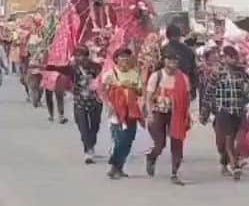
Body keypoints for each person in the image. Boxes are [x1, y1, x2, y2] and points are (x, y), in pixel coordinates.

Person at [200, 46, 249, 180]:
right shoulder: (218, 73)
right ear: (224, 58)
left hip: (239, 111)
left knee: (238, 139)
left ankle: (226, 162)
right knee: (228, 139)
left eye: (235, 57)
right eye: (230, 57)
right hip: (223, 111)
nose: (234, 60)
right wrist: (204, 111)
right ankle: (234, 166)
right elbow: (209, 92)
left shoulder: (242, 72)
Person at [45, 46, 103, 163]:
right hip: (79, 101)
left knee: (95, 127)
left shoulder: (97, 67)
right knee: (83, 127)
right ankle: (88, 150)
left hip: (95, 101)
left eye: (81, 55)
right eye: (76, 55)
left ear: (87, 56)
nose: (78, 58)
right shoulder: (73, 68)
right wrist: (45, 66)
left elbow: (104, 79)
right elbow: (58, 68)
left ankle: (91, 144)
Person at [143, 49, 193, 184]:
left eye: (175, 61)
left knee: (177, 142)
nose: (172, 63)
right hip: (158, 112)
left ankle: (174, 173)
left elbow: (187, 97)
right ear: (164, 61)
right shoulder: (156, 76)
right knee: (160, 144)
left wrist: (186, 114)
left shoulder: (183, 78)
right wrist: (149, 113)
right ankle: (151, 157)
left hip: (176, 113)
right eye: (169, 60)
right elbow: (148, 97)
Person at [102, 48, 145, 179]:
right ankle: (114, 166)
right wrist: (109, 105)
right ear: (116, 60)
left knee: (128, 140)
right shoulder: (110, 74)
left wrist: (130, 87)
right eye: (122, 58)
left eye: (127, 58)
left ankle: (118, 167)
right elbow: (104, 92)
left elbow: (140, 92)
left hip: (131, 112)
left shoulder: (135, 74)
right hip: (116, 113)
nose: (125, 61)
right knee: (119, 140)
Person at [162, 23, 198, 100]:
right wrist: (193, 90)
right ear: (179, 36)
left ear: (167, 36)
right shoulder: (188, 50)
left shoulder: (163, 50)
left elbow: (158, 71)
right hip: (184, 88)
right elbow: (194, 72)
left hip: (167, 89)